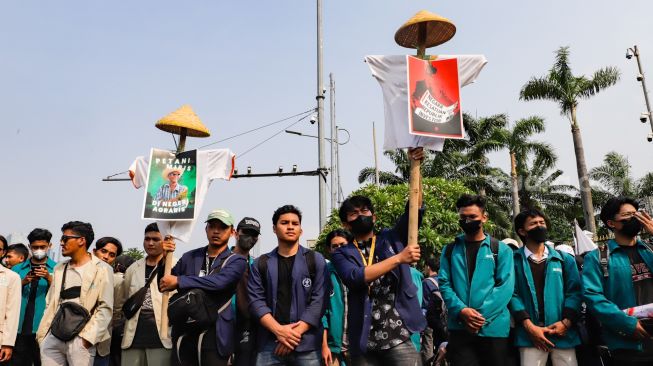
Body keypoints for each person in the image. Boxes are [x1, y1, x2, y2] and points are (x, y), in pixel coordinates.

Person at [332, 147, 426, 366]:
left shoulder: (391, 238)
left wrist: (416, 168)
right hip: (363, 340)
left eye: (365, 211)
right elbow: (355, 277)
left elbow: (415, 207)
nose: (360, 215)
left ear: (374, 216)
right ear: (345, 223)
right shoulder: (342, 254)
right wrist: (399, 258)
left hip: (399, 334)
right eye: (353, 213)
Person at [160, 209, 247, 366]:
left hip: (216, 333)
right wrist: (164, 258)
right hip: (185, 332)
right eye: (212, 226)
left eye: (222, 227)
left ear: (233, 232)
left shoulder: (237, 261)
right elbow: (165, 282)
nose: (216, 231)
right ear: (205, 229)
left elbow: (219, 282)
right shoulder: (189, 256)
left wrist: (180, 281)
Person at [438, 194, 515, 366]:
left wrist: (478, 318)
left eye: (472, 217)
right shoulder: (450, 250)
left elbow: (505, 287)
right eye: (463, 217)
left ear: (484, 218)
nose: (467, 221)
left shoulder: (501, 249)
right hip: (460, 327)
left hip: (493, 329)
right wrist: (462, 311)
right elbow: (444, 283)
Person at [248, 205, 328, 366]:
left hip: (307, 344)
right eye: (284, 222)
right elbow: (256, 303)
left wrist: (291, 335)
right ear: (274, 229)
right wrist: (279, 331)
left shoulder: (315, 259)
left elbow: (319, 300)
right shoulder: (260, 264)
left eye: (295, 223)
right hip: (270, 345)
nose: (290, 226)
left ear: (301, 230)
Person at [583, 196, 653, 364]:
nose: (634, 218)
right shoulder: (597, 257)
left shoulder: (649, 251)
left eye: (636, 214)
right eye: (627, 215)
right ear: (611, 223)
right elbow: (593, 296)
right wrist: (626, 324)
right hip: (626, 344)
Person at [510, 209, 582, 366]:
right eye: (534, 224)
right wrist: (529, 327)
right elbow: (512, 295)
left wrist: (566, 323)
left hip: (562, 333)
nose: (539, 226)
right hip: (530, 336)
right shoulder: (512, 260)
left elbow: (575, 292)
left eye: (542, 223)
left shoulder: (564, 259)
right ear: (522, 231)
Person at [37, 221, 114, 366]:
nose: (61, 242)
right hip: (53, 336)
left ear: (81, 240)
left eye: (65, 238)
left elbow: (105, 307)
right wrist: (44, 337)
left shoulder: (102, 269)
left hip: (81, 337)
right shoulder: (60, 268)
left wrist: (87, 339)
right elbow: (50, 303)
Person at [116, 224, 176, 366]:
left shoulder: (176, 265)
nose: (150, 243)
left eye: (156, 239)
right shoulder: (133, 269)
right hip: (132, 338)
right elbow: (123, 300)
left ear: (165, 241)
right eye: (147, 239)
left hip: (163, 338)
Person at [13, 228, 57, 366]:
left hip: (44, 329)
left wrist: (49, 278)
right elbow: (7, 295)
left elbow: (61, 295)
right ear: (29, 247)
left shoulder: (58, 269)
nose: (39, 250)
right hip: (18, 327)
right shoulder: (17, 269)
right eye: (35, 247)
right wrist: (23, 282)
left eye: (42, 247)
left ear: (49, 246)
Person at [232, 217, 262, 366]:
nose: (250, 237)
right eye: (246, 233)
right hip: (221, 324)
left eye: (254, 234)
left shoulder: (256, 265)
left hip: (247, 328)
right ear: (236, 233)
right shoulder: (221, 260)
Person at [321, 229, 352, 366]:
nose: (339, 249)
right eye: (335, 246)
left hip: (358, 345)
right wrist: (324, 345)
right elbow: (321, 313)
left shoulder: (362, 271)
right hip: (333, 347)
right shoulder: (323, 273)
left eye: (343, 245)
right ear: (329, 249)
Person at [92, 237, 124, 366]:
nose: (106, 257)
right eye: (103, 251)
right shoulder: (81, 272)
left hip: (101, 342)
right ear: (94, 251)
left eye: (111, 255)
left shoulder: (116, 281)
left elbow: (116, 311)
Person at [421, 256, 448, 366]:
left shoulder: (426, 282)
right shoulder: (443, 280)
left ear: (428, 267)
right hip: (443, 320)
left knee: (428, 345)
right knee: (443, 345)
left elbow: (424, 304)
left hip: (430, 320)